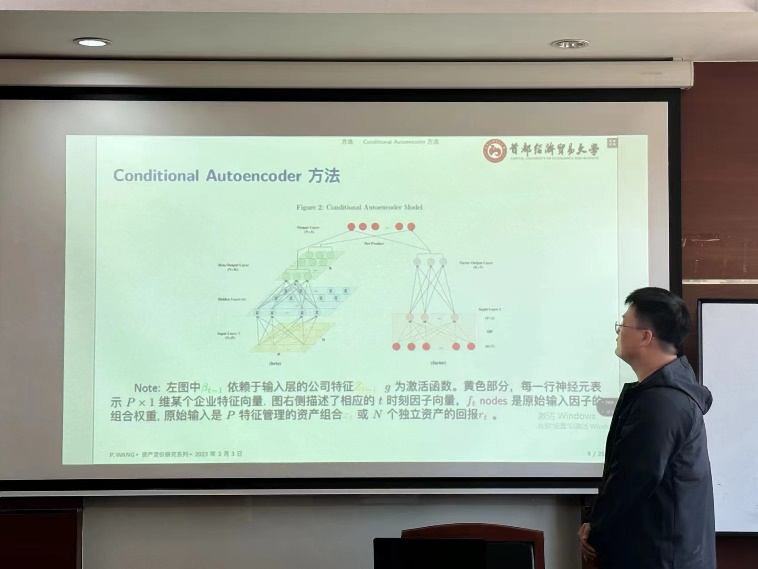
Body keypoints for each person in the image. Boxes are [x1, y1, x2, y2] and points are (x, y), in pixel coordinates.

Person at [578, 287, 716, 568]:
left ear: (645, 337)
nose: (618, 332)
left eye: (623, 324)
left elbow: (635, 477)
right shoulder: (663, 392)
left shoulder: (663, 401)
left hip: (661, 557)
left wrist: (597, 528)